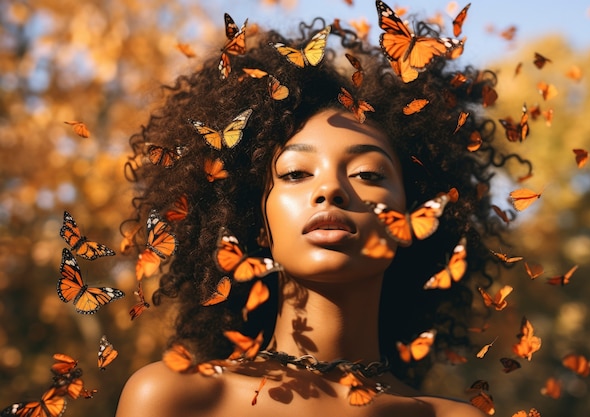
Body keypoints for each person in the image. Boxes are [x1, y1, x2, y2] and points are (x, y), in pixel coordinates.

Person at [116, 3, 517, 416]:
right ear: (255, 222)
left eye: (367, 174)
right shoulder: (175, 398)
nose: (330, 190)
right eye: (294, 174)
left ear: (416, 217)